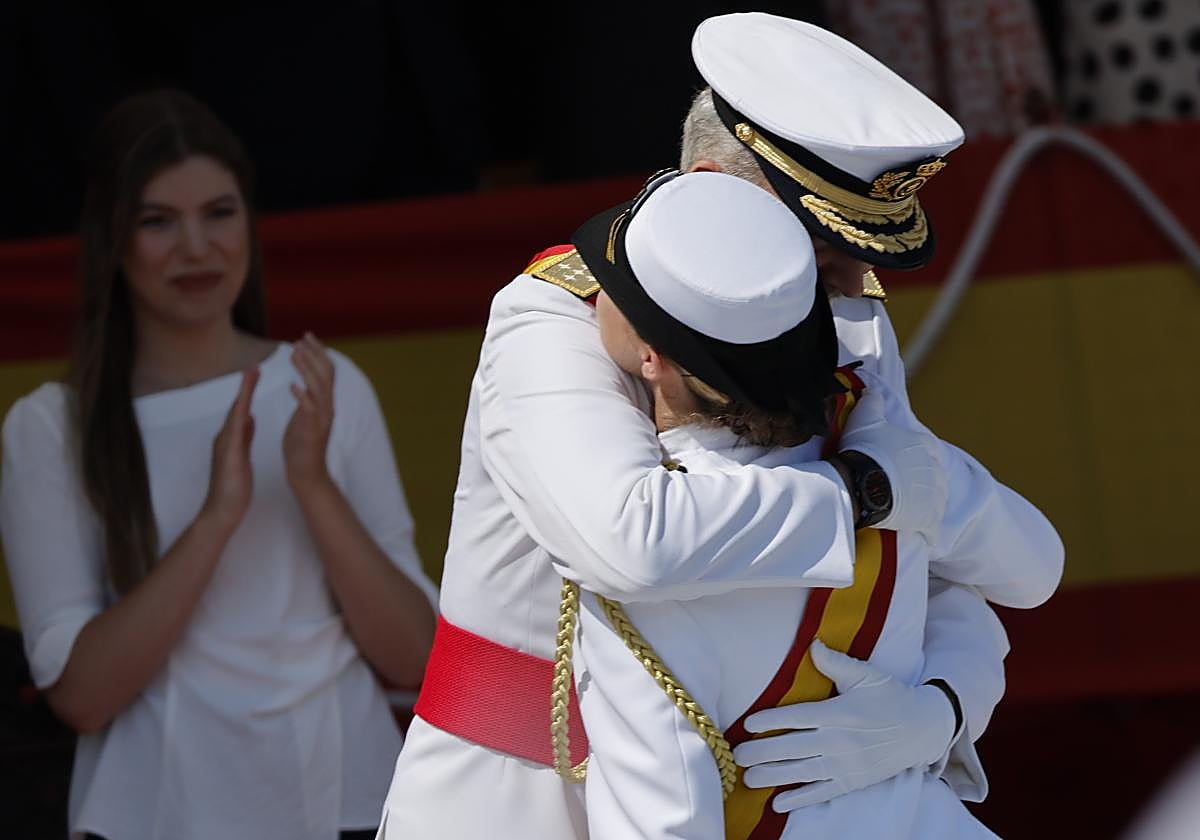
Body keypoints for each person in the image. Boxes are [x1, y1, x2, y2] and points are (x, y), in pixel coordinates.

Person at [376, 16, 1061, 840]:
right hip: (522, 800)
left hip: (777, 802)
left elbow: (929, 564)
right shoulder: (556, 311)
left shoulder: (842, 315)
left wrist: (943, 707)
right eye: (823, 244)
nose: (853, 281)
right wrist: (864, 490)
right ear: (710, 183)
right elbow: (625, 537)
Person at [0, 89, 438, 840]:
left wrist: (310, 486)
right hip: (152, 816)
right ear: (113, 238)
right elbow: (79, 693)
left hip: (345, 806)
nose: (196, 248)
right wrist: (216, 519)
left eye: (219, 213)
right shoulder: (52, 427)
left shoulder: (321, 383)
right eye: (158, 221)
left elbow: (417, 656)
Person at [569, 169, 1057, 839]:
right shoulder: (888, 453)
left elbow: (664, 820)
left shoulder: (653, 564)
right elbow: (1035, 571)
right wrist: (940, 713)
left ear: (650, 358)